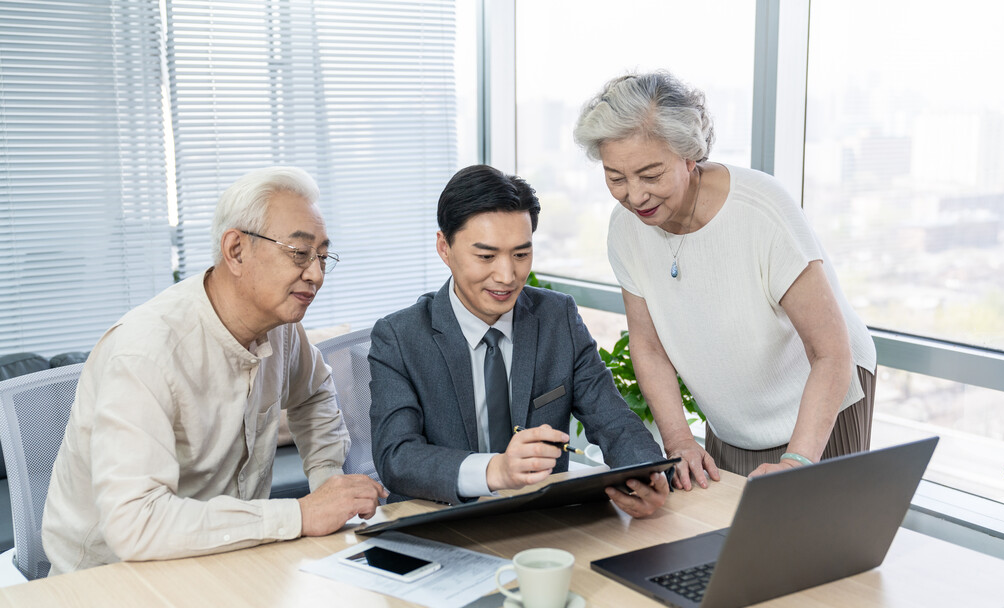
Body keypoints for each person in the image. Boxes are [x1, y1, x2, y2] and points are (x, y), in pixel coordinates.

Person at [42, 167, 385, 574]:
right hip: (112, 579)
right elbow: (135, 525)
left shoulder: (282, 330)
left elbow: (313, 394)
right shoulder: (146, 351)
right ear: (236, 250)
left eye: (323, 257)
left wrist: (327, 482)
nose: (316, 274)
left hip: (229, 557)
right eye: (299, 253)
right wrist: (300, 515)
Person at [573, 71, 877, 488]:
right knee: (730, 540)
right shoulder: (625, 230)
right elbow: (648, 346)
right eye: (616, 178)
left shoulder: (761, 211)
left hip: (820, 400)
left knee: (812, 542)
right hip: (732, 413)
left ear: (689, 155)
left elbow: (829, 351)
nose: (635, 195)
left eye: (651, 174)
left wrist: (797, 461)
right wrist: (679, 438)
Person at [368, 164, 669, 518]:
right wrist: (495, 470)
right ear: (444, 248)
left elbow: (614, 421)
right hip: (437, 527)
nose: (507, 276)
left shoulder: (558, 319)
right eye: (486, 256)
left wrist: (647, 475)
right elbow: (397, 456)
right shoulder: (399, 338)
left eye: (521, 254)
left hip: (539, 525)